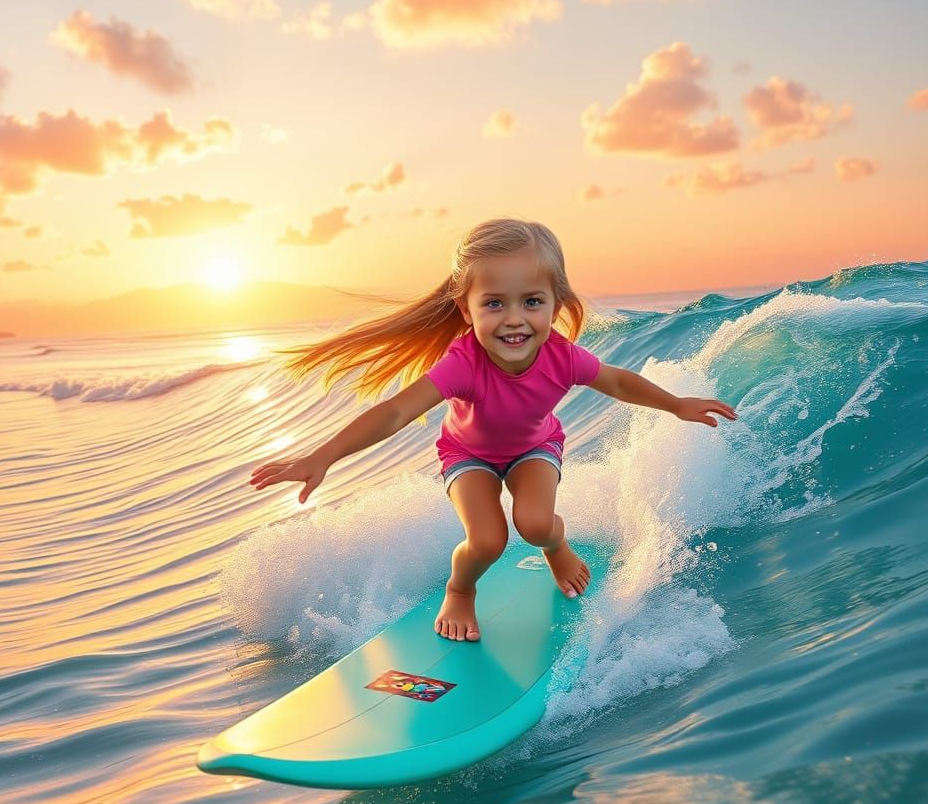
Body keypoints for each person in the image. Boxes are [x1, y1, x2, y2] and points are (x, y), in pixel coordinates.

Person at [249, 217, 737, 642]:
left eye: (531, 301)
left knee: (537, 525)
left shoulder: (562, 357)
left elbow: (614, 380)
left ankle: (557, 549)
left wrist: (675, 405)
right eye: (495, 304)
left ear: (556, 303)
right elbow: (397, 412)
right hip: (468, 456)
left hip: (535, 448)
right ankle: (460, 590)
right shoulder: (464, 364)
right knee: (487, 541)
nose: (515, 319)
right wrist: (322, 457)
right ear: (467, 309)